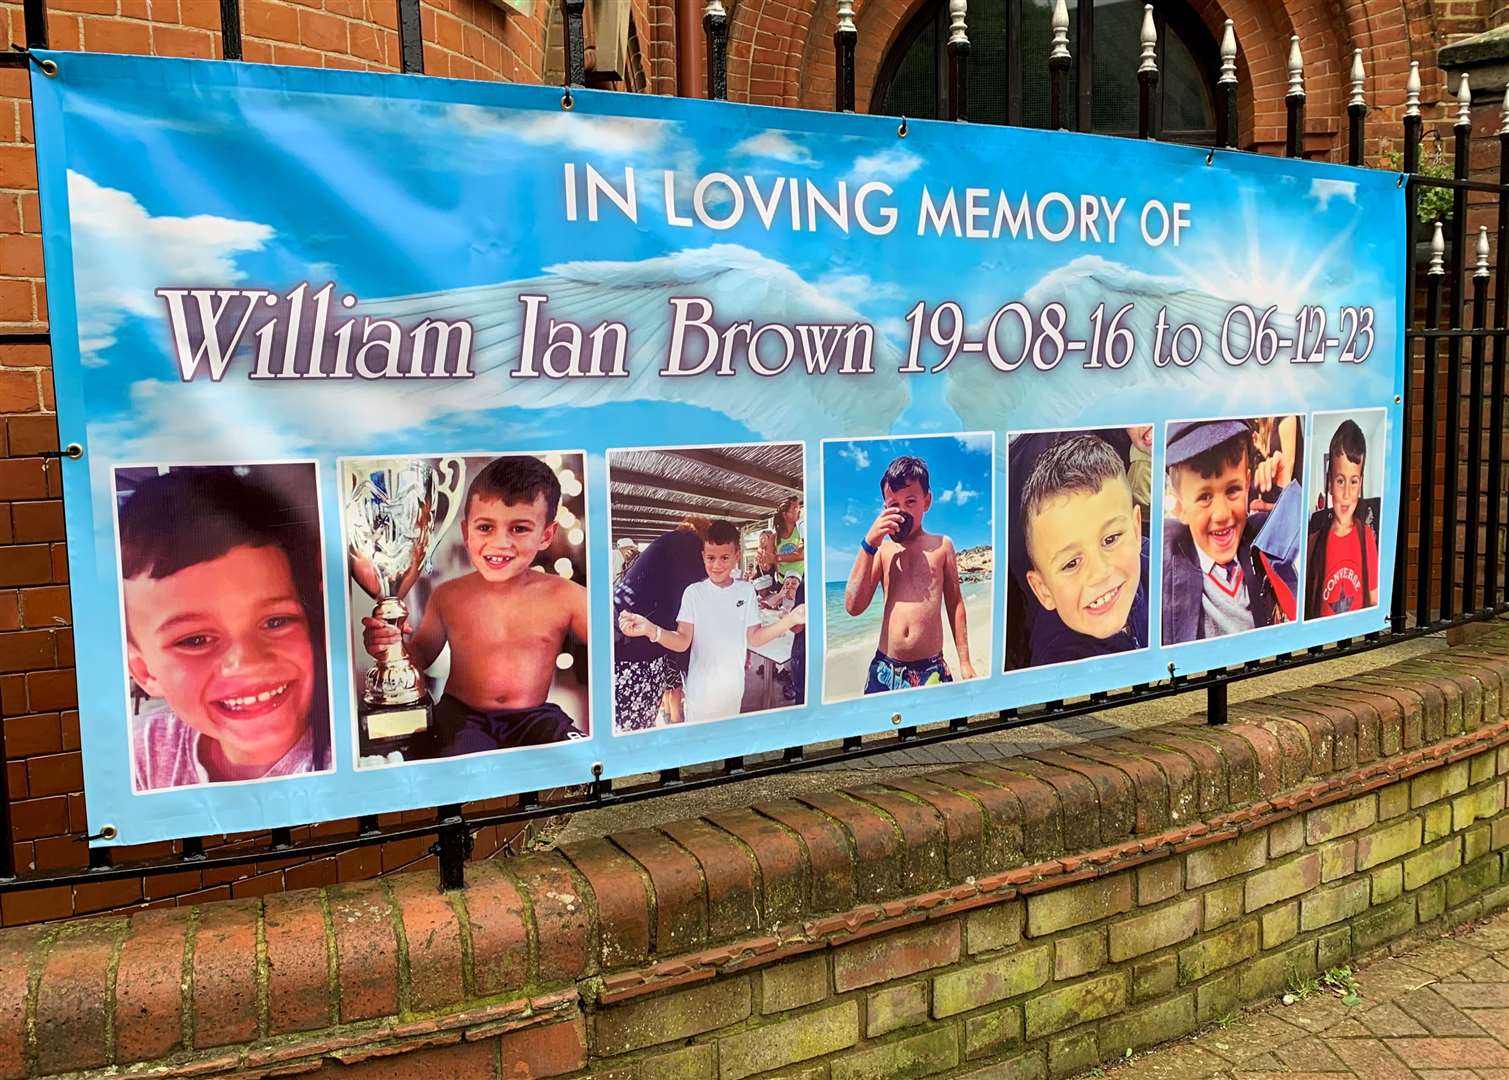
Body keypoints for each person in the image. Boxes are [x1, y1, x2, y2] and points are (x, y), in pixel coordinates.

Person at [119, 466, 330, 791]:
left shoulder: (351, 754)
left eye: (275, 621)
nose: (247, 662)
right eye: (195, 639)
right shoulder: (140, 756)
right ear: (145, 671)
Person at [362, 455, 587, 755]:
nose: (499, 543)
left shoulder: (567, 595)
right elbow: (420, 656)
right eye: (485, 527)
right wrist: (390, 647)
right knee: (462, 758)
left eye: (519, 528)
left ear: (546, 534)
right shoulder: (448, 595)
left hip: (533, 717)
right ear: (467, 532)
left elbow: (611, 647)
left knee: (577, 754)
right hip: (463, 717)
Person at [619, 520, 806, 724]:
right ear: (702, 557)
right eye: (711, 557)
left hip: (733, 689)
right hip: (700, 692)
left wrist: (790, 619)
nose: (717, 565)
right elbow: (682, 641)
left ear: (737, 556)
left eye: (725, 557)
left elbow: (755, 637)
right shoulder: (693, 593)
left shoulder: (746, 591)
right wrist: (650, 629)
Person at [845, 455, 976, 693]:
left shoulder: (942, 546)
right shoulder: (883, 550)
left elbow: (955, 604)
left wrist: (965, 662)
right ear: (885, 508)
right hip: (886, 667)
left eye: (911, 501)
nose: (902, 511)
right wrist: (869, 543)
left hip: (931, 669)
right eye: (894, 505)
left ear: (927, 501)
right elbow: (853, 606)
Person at [1019, 434, 1149, 665]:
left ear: (1136, 529)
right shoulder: (1056, 662)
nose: (1099, 573)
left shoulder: (1165, 569)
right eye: (1071, 563)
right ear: (1043, 591)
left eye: (1110, 539)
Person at [1162, 420, 1276, 644]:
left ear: (1248, 484)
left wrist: (1283, 493)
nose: (1222, 514)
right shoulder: (1166, 560)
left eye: (1233, 490)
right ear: (1179, 507)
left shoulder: (1263, 538)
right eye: (1204, 497)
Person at [612, 517, 710, 731]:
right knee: (635, 725)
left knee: (627, 725)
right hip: (636, 649)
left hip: (624, 639)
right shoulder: (689, 546)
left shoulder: (669, 544)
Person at [1306, 419, 1379, 618]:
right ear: (1330, 483)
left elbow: (1374, 599)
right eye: (1340, 481)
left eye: (1353, 482)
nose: (1347, 493)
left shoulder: (1367, 539)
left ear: (1361, 483)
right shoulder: (1313, 543)